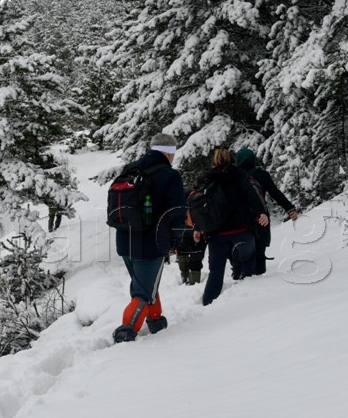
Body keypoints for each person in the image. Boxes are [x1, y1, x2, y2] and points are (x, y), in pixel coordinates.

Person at [112, 132, 187, 343]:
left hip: (125, 240)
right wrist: (177, 238)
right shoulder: (170, 175)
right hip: (152, 243)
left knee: (146, 284)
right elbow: (177, 211)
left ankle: (156, 320)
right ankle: (126, 332)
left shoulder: (130, 169)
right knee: (143, 292)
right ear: (169, 153)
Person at [195, 148, 269, 306]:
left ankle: (208, 303)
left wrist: (197, 227)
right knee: (248, 259)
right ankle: (246, 298)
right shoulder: (240, 175)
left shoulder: (207, 178)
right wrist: (261, 213)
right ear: (232, 159)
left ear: (215, 161)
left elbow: (199, 205)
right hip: (242, 230)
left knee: (216, 270)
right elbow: (251, 195)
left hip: (216, 233)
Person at [233, 147, 299, 277]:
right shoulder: (261, 174)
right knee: (259, 246)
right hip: (261, 216)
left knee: (240, 248)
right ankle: (259, 275)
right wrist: (289, 208)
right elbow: (275, 193)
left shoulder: (234, 176)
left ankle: (239, 275)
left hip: (240, 219)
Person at [174, 213, 206, 285]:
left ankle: (193, 281)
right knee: (182, 248)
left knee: (196, 253)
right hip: (186, 223)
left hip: (197, 224)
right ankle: (186, 276)